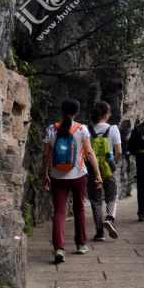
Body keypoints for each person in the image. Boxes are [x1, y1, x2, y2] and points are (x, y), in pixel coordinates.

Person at [42, 98, 102, 263]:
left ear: (61, 111)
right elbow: (89, 152)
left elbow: (46, 154)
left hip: (57, 176)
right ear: (76, 112)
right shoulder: (82, 129)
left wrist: (45, 174)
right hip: (79, 175)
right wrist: (97, 174)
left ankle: (59, 248)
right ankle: (81, 244)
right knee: (79, 209)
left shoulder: (51, 129)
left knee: (59, 212)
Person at [86, 101, 122, 241]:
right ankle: (110, 219)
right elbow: (118, 151)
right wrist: (114, 164)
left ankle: (99, 232)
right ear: (106, 114)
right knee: (112, 196)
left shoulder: (87, 129)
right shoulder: (113, 129)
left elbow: (86, 151)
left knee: (95, 200)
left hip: (92, 168)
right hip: (108, 167)